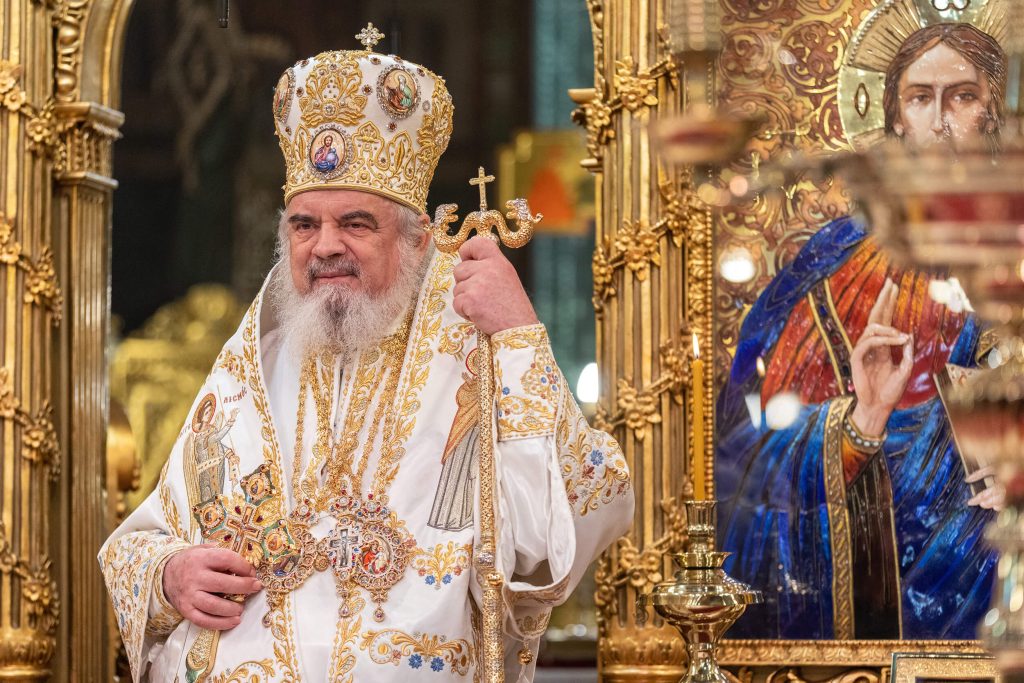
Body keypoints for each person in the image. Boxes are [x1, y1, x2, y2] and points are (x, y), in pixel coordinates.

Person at [100, 41, 633, 682]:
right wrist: (167, 576)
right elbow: (140, 541)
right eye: (303, 225)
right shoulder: (251, 366)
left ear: (414, 239)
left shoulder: (479, 351)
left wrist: (519, 334)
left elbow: (581, 512)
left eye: (355, 223)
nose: (325, 246)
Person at [717, 22, 1005, 640]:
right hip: (865, 600)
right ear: (896, 116)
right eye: (921, 98)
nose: (942, 120)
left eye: (962, 95)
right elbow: (751, 461)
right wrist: (859, 426)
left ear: (992, 111)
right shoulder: (836, 265)